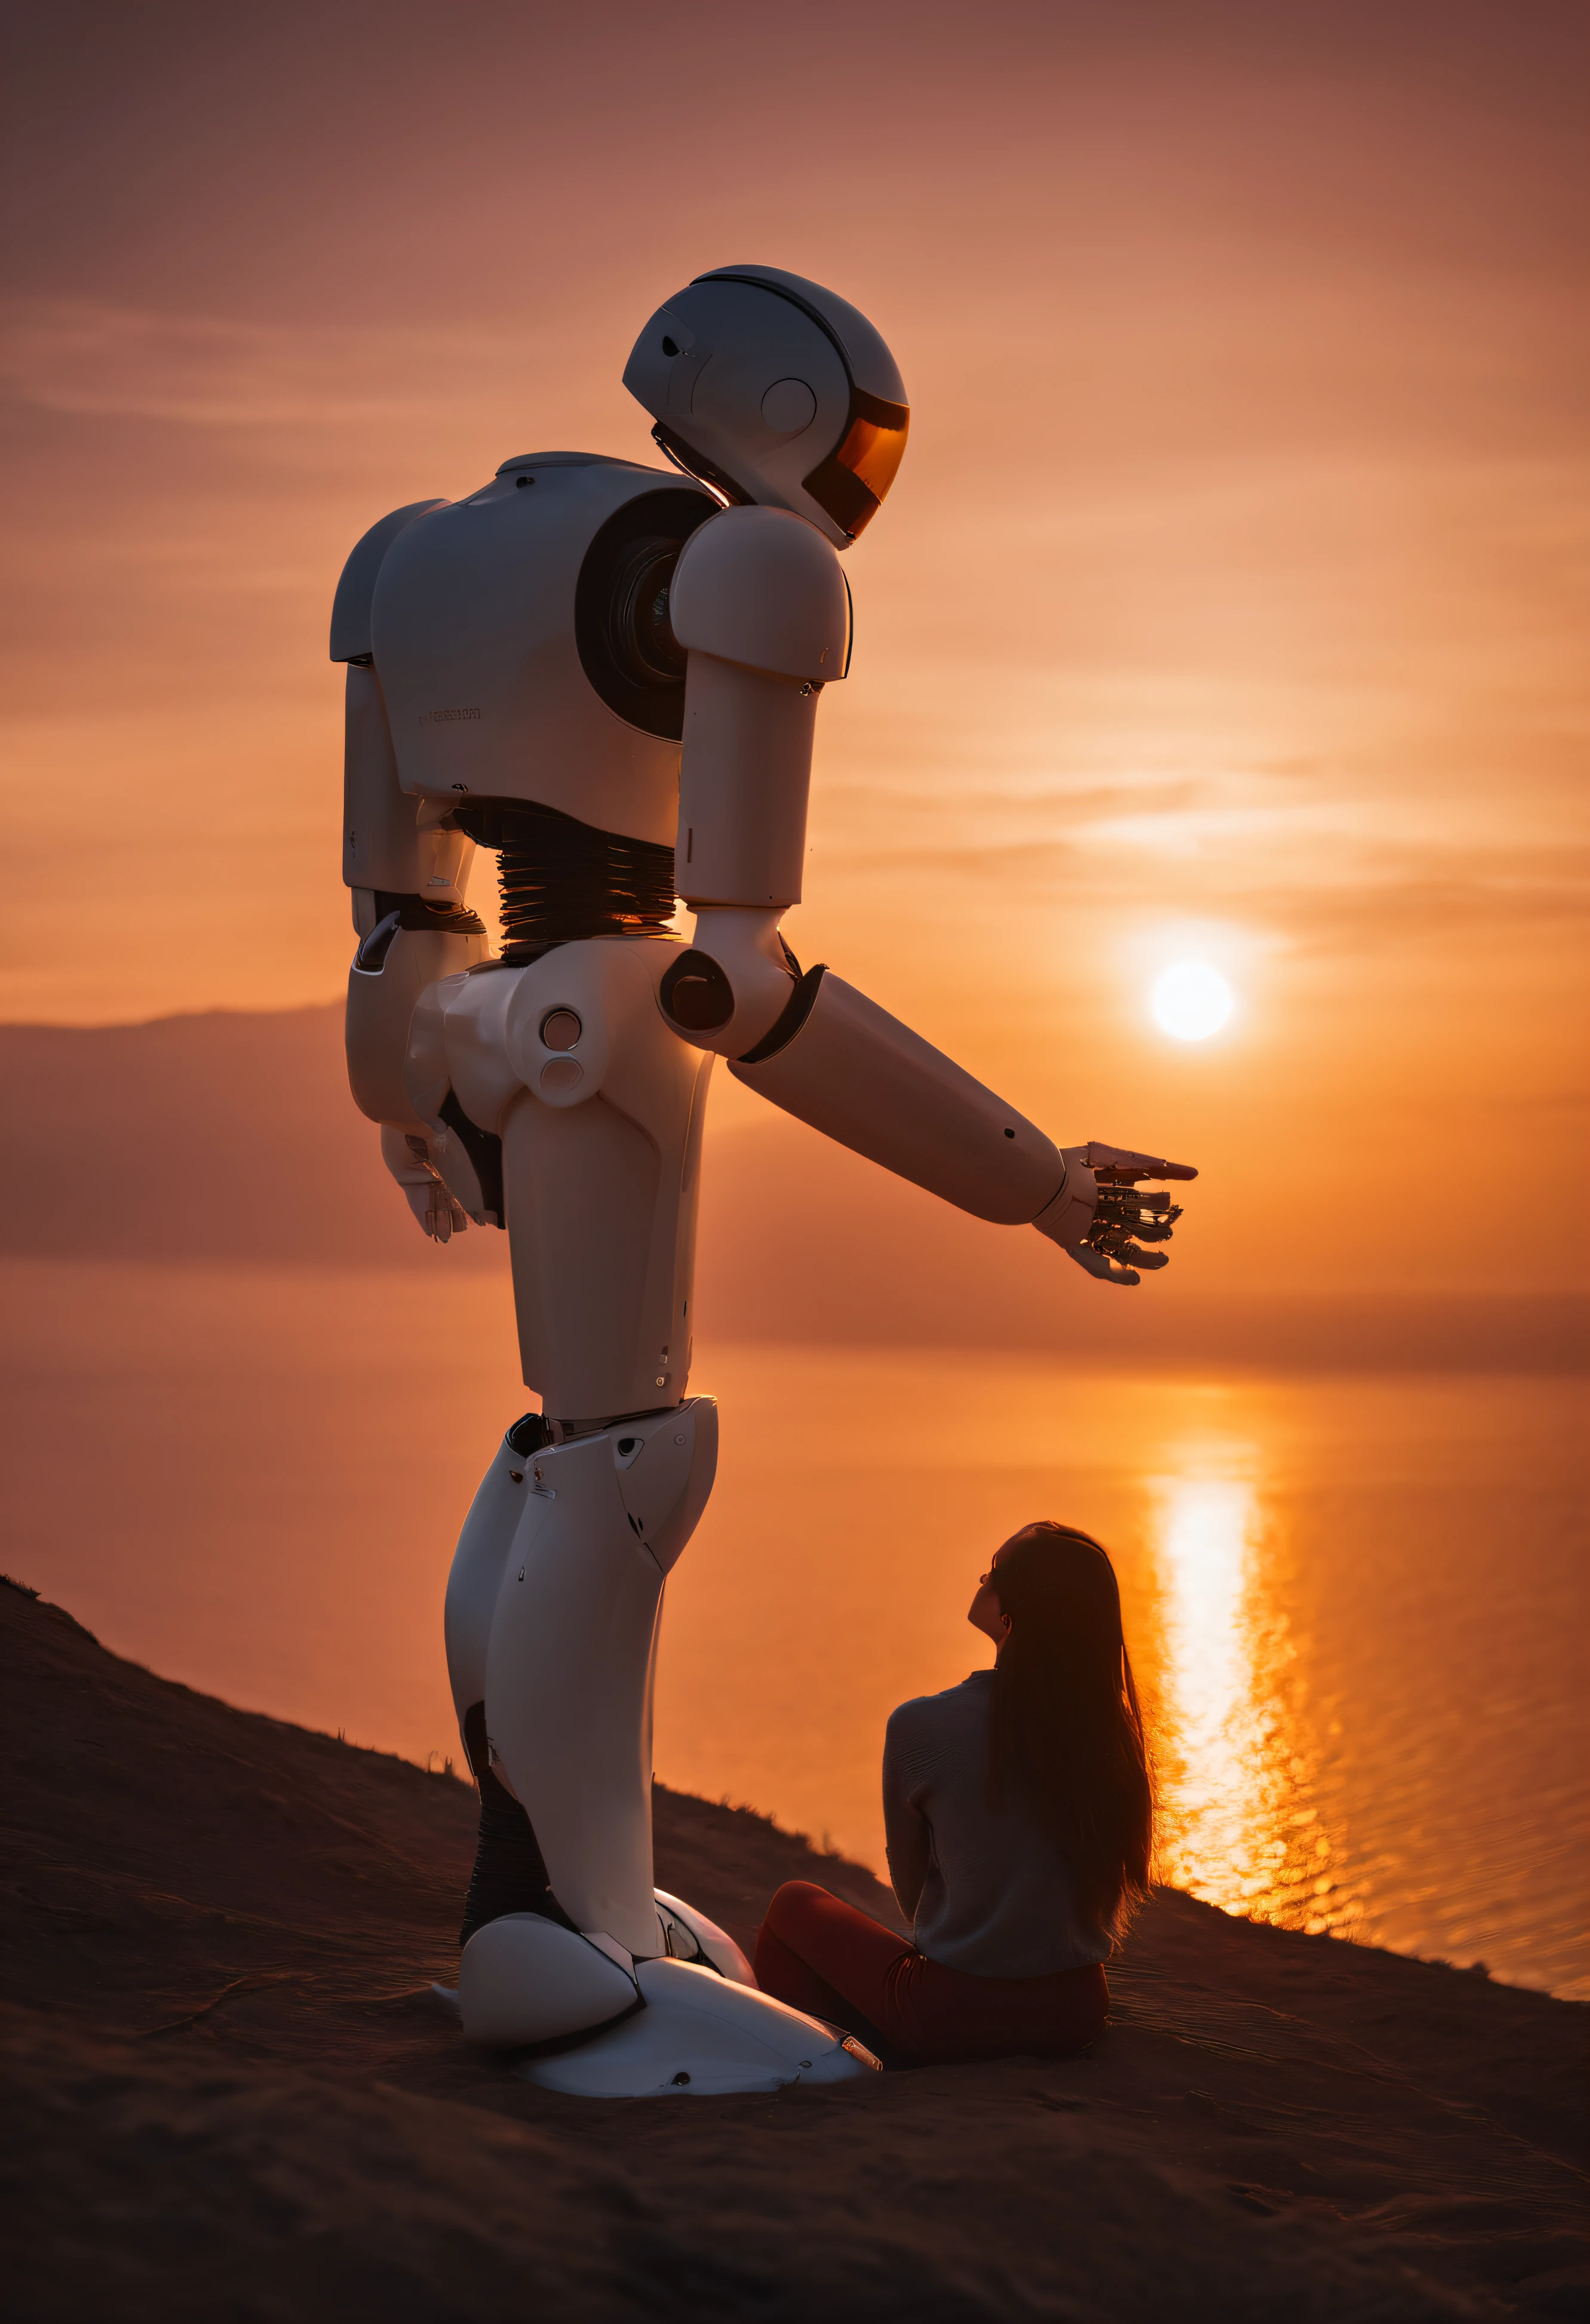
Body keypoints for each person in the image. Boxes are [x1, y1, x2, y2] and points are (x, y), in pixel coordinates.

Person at [754, 1522, 1154, 2065]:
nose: (982, 1579)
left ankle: (823, 2067)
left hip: (958, 2014)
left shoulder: (923, 1725)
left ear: (1011, 1616)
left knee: (793, 1903)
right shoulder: (1113, 1733)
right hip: (1077, 2012)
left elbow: (913, 1898)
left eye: (994, 1571)